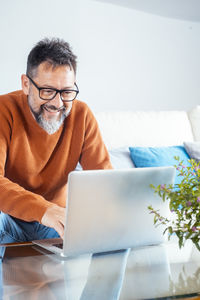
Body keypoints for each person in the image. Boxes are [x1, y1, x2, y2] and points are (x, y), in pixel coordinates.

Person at [0, 37, 112, 244]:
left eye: (67, 92)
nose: (57, 103)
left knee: (116, 227)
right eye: (48, 91)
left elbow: (104, 179)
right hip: (9, 221)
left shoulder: (82, 114)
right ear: (26, 84)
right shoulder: (3, 110)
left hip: (58, 226)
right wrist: (44, 209)